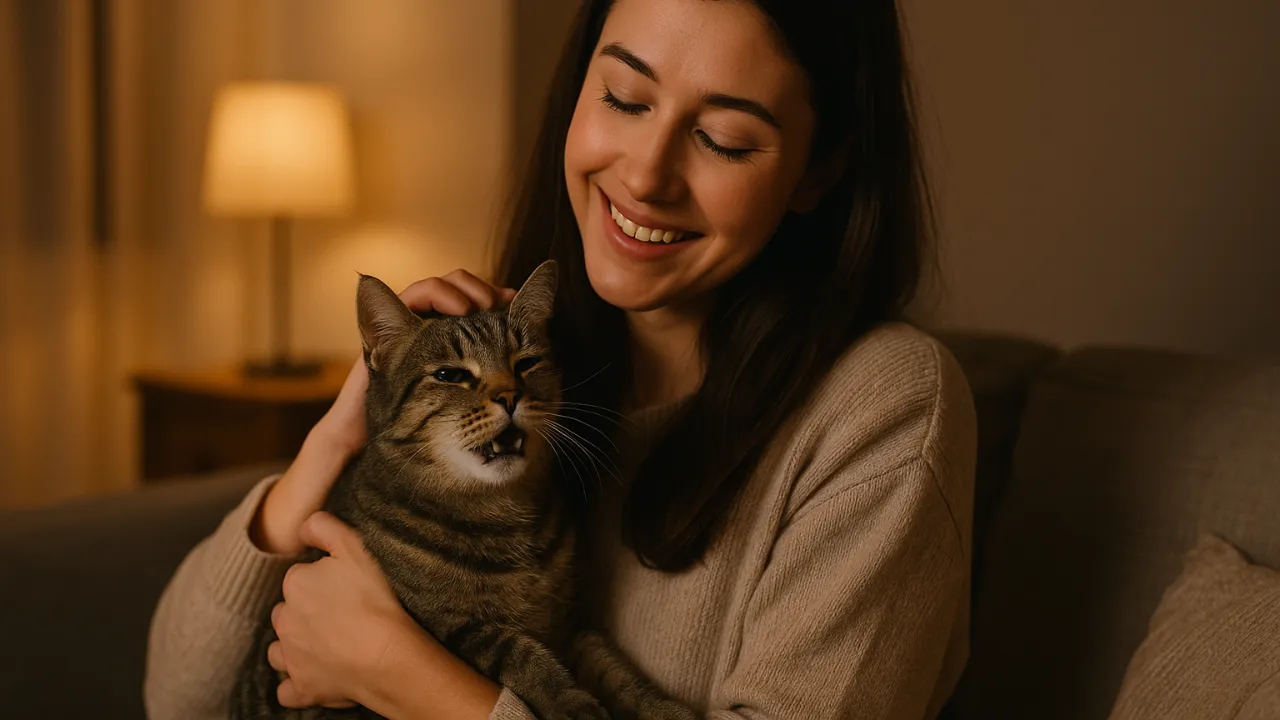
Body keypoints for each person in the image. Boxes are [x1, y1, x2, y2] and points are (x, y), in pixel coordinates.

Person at [145, 0, 977, 717]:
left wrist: (405, 675)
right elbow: (179, 699)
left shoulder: (883, 405)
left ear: (819, 170)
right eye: (622, 96)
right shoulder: (527, 358)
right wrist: (337, 436)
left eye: (723, 139)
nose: (646, 175)